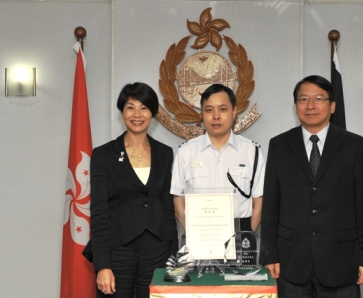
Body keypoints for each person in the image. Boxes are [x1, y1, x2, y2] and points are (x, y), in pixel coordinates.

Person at [260, 75, 363, 298]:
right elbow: (271, 206)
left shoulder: (355, 146)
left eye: (318, 98)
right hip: (291, 261)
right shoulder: (279, 145)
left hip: (342, 261)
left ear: (332, 106)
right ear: (296, 106)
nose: (310, 105)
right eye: (303, 99)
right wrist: (270, 255)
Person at [85, 82, 178, 298]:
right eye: (130, 107)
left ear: (153, 113)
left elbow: (167, 208)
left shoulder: (165, 153)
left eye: (144, 107)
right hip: (117, 251)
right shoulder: (104, 155)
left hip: (157, 251)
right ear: (122, 112)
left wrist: (172, 254)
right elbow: (99, 212)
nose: (137, 114)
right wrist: (102, 265)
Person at [171, 83, 265, 235]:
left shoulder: (252, 152)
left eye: (223, 109)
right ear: (202, 114)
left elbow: (259, 204)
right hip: (199, 236)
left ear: (234, 112)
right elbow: (178, 203)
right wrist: (197, 236)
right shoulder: (185, 152)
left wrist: (245, 238)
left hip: (241, 234)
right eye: (209, 110)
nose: (216, 116)